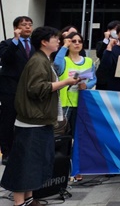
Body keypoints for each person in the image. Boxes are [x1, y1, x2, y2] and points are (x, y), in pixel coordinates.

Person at [0, 26, 78, 206]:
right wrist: (65, 82)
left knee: (34, 162)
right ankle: (19, 202)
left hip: (39, 119)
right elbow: (36, 89)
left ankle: (29, 198)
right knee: (25, 162)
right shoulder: (38, 61)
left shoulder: (43, 59)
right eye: (55, 38)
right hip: (32, 121)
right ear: (44, 42)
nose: (59, 41)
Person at [0, 16, 34, 165]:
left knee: (26, 119)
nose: (27, 27)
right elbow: (5, 59)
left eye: (30, 25)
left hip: (29, 88)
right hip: (10, 87)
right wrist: (15, 40)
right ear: (16, 27)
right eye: (24, 25)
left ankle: (24, 149)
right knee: (8, 119)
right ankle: (7, 151)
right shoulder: (7, 43)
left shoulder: (36, 45)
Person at [53, 32, 97, 134]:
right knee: (62, 132)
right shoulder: (63, 60)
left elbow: (93, 79)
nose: (77, 43)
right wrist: (64, 46)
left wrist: (86, 85)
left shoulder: (88, 61)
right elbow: (56, 64)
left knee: (79, 133)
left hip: (82, 102)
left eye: (80, 41)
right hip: (65, 103)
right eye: (73, 41)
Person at [94, 20, 120, 91]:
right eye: (114, 29)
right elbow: (99, 54)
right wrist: (106, 39)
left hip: (118, 78)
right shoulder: (102, 43)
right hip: (104, 78)